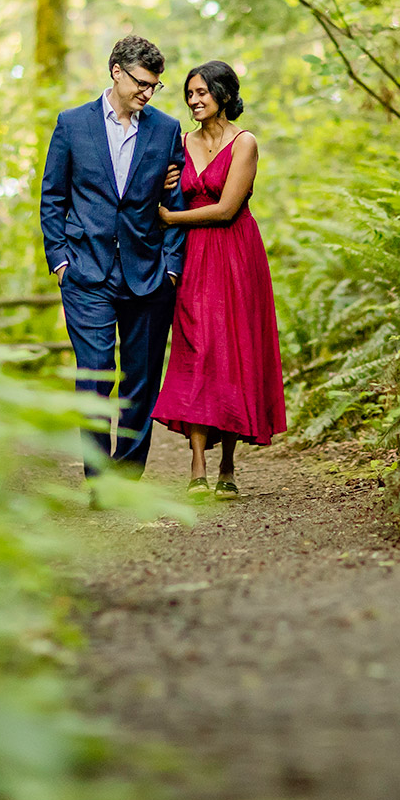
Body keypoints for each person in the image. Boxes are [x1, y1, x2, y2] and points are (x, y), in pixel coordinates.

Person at [40, 35, 188, 480]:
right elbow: (53, 196)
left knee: (141, 381)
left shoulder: (165, 129)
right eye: (142, 83)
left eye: (155, 86)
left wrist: (172, 266)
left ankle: (127, 476)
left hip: (149, 273)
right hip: (86, 272)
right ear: (116, 72)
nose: (148, 92)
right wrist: (60, 260)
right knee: (95, 376)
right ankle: (99, 480)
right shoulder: (71, 124)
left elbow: (176, 202)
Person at [152, 60, 287, 494]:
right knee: (197, 350)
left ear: (223, 95)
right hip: (193, 257)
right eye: (189, 93)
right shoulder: (180, 141)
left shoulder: (244, 143)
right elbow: (163, 187)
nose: (194, 100)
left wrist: (172, 217)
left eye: (202, 93)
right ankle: (196, 469)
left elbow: (228, 208)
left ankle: (228, 463)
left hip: (235, 253)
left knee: (233, 350)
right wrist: (166, 186)